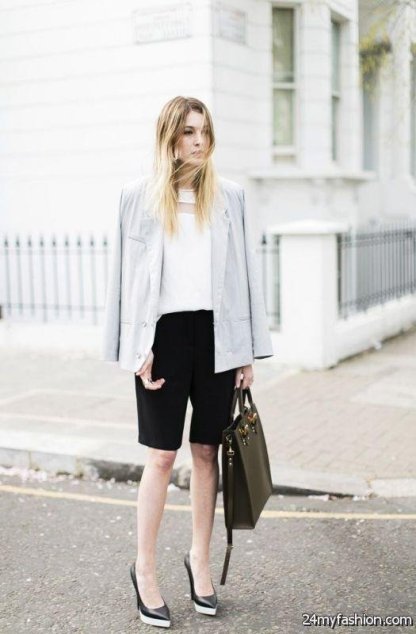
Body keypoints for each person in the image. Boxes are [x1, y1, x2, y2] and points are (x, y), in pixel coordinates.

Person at [101, 96, 274, 628]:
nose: (199, 141)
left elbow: (245, 276)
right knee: (160, 456)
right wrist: (136, 348)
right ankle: (145, 569)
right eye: (188, 132)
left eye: (204, 131)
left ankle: (199, 561)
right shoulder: (137, 197)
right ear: (169, 138)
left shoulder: (230, 197)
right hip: (163, 339)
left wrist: (245, 351)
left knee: (206, 452)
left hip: (217, 336)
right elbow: (125, 280)